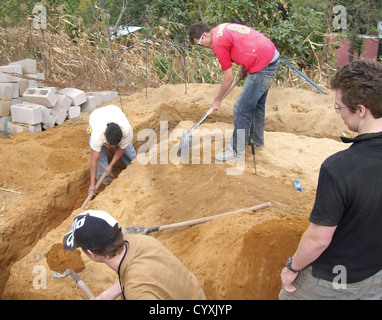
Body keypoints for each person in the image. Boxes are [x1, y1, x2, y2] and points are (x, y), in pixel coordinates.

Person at [279, 59, 382, 300]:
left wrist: (292, 268)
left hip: (335, 277)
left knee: (288, 296)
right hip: (376, 272)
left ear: (360, 110)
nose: (339, 115)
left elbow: (318, 239)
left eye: (339, 107)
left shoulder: (338, 168)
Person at [63, 209, 207, 300]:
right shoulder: (140, 241)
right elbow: (138, 276)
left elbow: (137, 283)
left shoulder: (136, 292)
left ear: (91, 253)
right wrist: (104, 296)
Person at [187, 22, 280, 161]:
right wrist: (244, 66)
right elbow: (244, 43)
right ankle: (257, 141)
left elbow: (228, 78)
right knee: (256, 104)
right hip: (271, 57)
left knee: (240, 108)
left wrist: (217, 99)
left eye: (200, 44)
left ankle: (236, 150)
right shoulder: (220, 29)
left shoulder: (217, 43)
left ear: (205, 35)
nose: (202, 48)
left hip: (262, 65)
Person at [87, 104, 136, 193]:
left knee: (129, 151)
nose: (112, 148)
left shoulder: (126, 130)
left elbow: (121, 149)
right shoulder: (97, 135)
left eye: (114, 146)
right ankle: (107, 182)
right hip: (96, 117)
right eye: (110, 145)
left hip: (114, 111)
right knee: (100, 158)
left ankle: (136, 167)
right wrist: (92, 184)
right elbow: (94, 161)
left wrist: (111, 165)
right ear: (105, 135)